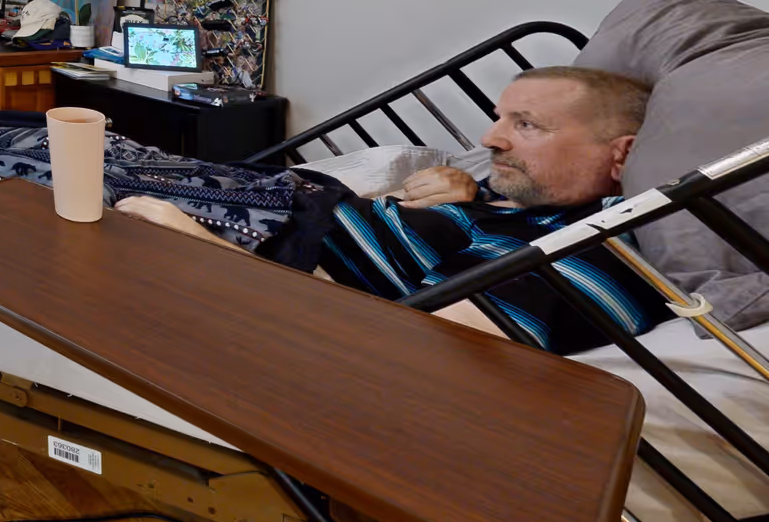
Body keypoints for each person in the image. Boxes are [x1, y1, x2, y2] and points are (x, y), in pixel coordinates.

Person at [118, 66, 675, 353]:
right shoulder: (517, 202)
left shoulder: (583, 256)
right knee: (43, 137)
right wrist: (473, 193)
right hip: (287, 197)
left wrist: (207, 252)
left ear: (622, 154)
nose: (490, 138)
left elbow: (401, 351)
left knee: (52, 172)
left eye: (525, 125)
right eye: (501, 118)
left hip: (270, 237)